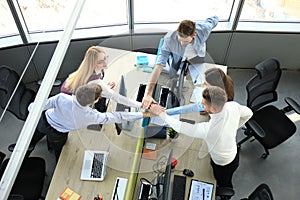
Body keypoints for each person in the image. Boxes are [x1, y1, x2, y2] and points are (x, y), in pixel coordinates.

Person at [149, 86, 253, 189]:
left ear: (212, 109)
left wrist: (160, 114)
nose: (201, 104)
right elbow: (249, 113)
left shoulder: (208, 129)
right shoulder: (232, 106)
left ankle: (225, 191)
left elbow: (180, 127)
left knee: (222, 180)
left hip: (223, 162)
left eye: (204, 103)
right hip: (232, 151)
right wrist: (234, 128)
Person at [29, 83, 152, 161]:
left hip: (43, 120)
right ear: (94, 101)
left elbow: (41, 106)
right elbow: (117, 116)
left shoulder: (62, 97)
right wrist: (143, 114)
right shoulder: (90, 116)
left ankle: (29, 146)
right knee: (59, 151)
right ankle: (55, 159)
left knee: (35, 135)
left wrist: (31, 107)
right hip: (58, 133)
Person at [142, 16, 219, 109]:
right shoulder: (169, 39)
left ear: (194, 35)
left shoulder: (204, 29)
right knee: (172, 73)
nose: (182, 43)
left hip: (196, 56)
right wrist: (148, 94)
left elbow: (214, 19)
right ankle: (174, 87)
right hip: (178, 56)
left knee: (200, 79)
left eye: (185, 41)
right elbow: (158, 66)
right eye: (180, 40)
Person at [61, 46, 142, 112]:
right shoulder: (94, 81)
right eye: (100, 62)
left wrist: (103, 89)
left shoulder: (85, 71)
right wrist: (141, 105)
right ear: (93, 64)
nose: (105, 63)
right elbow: (117, 98)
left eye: (105, 58)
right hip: (71, 109)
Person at [166, 67, 234, 115]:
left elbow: (191, 108)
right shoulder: (226, 80)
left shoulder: (216, 98)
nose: (203, 84)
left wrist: (166, 112)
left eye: (206, 84)